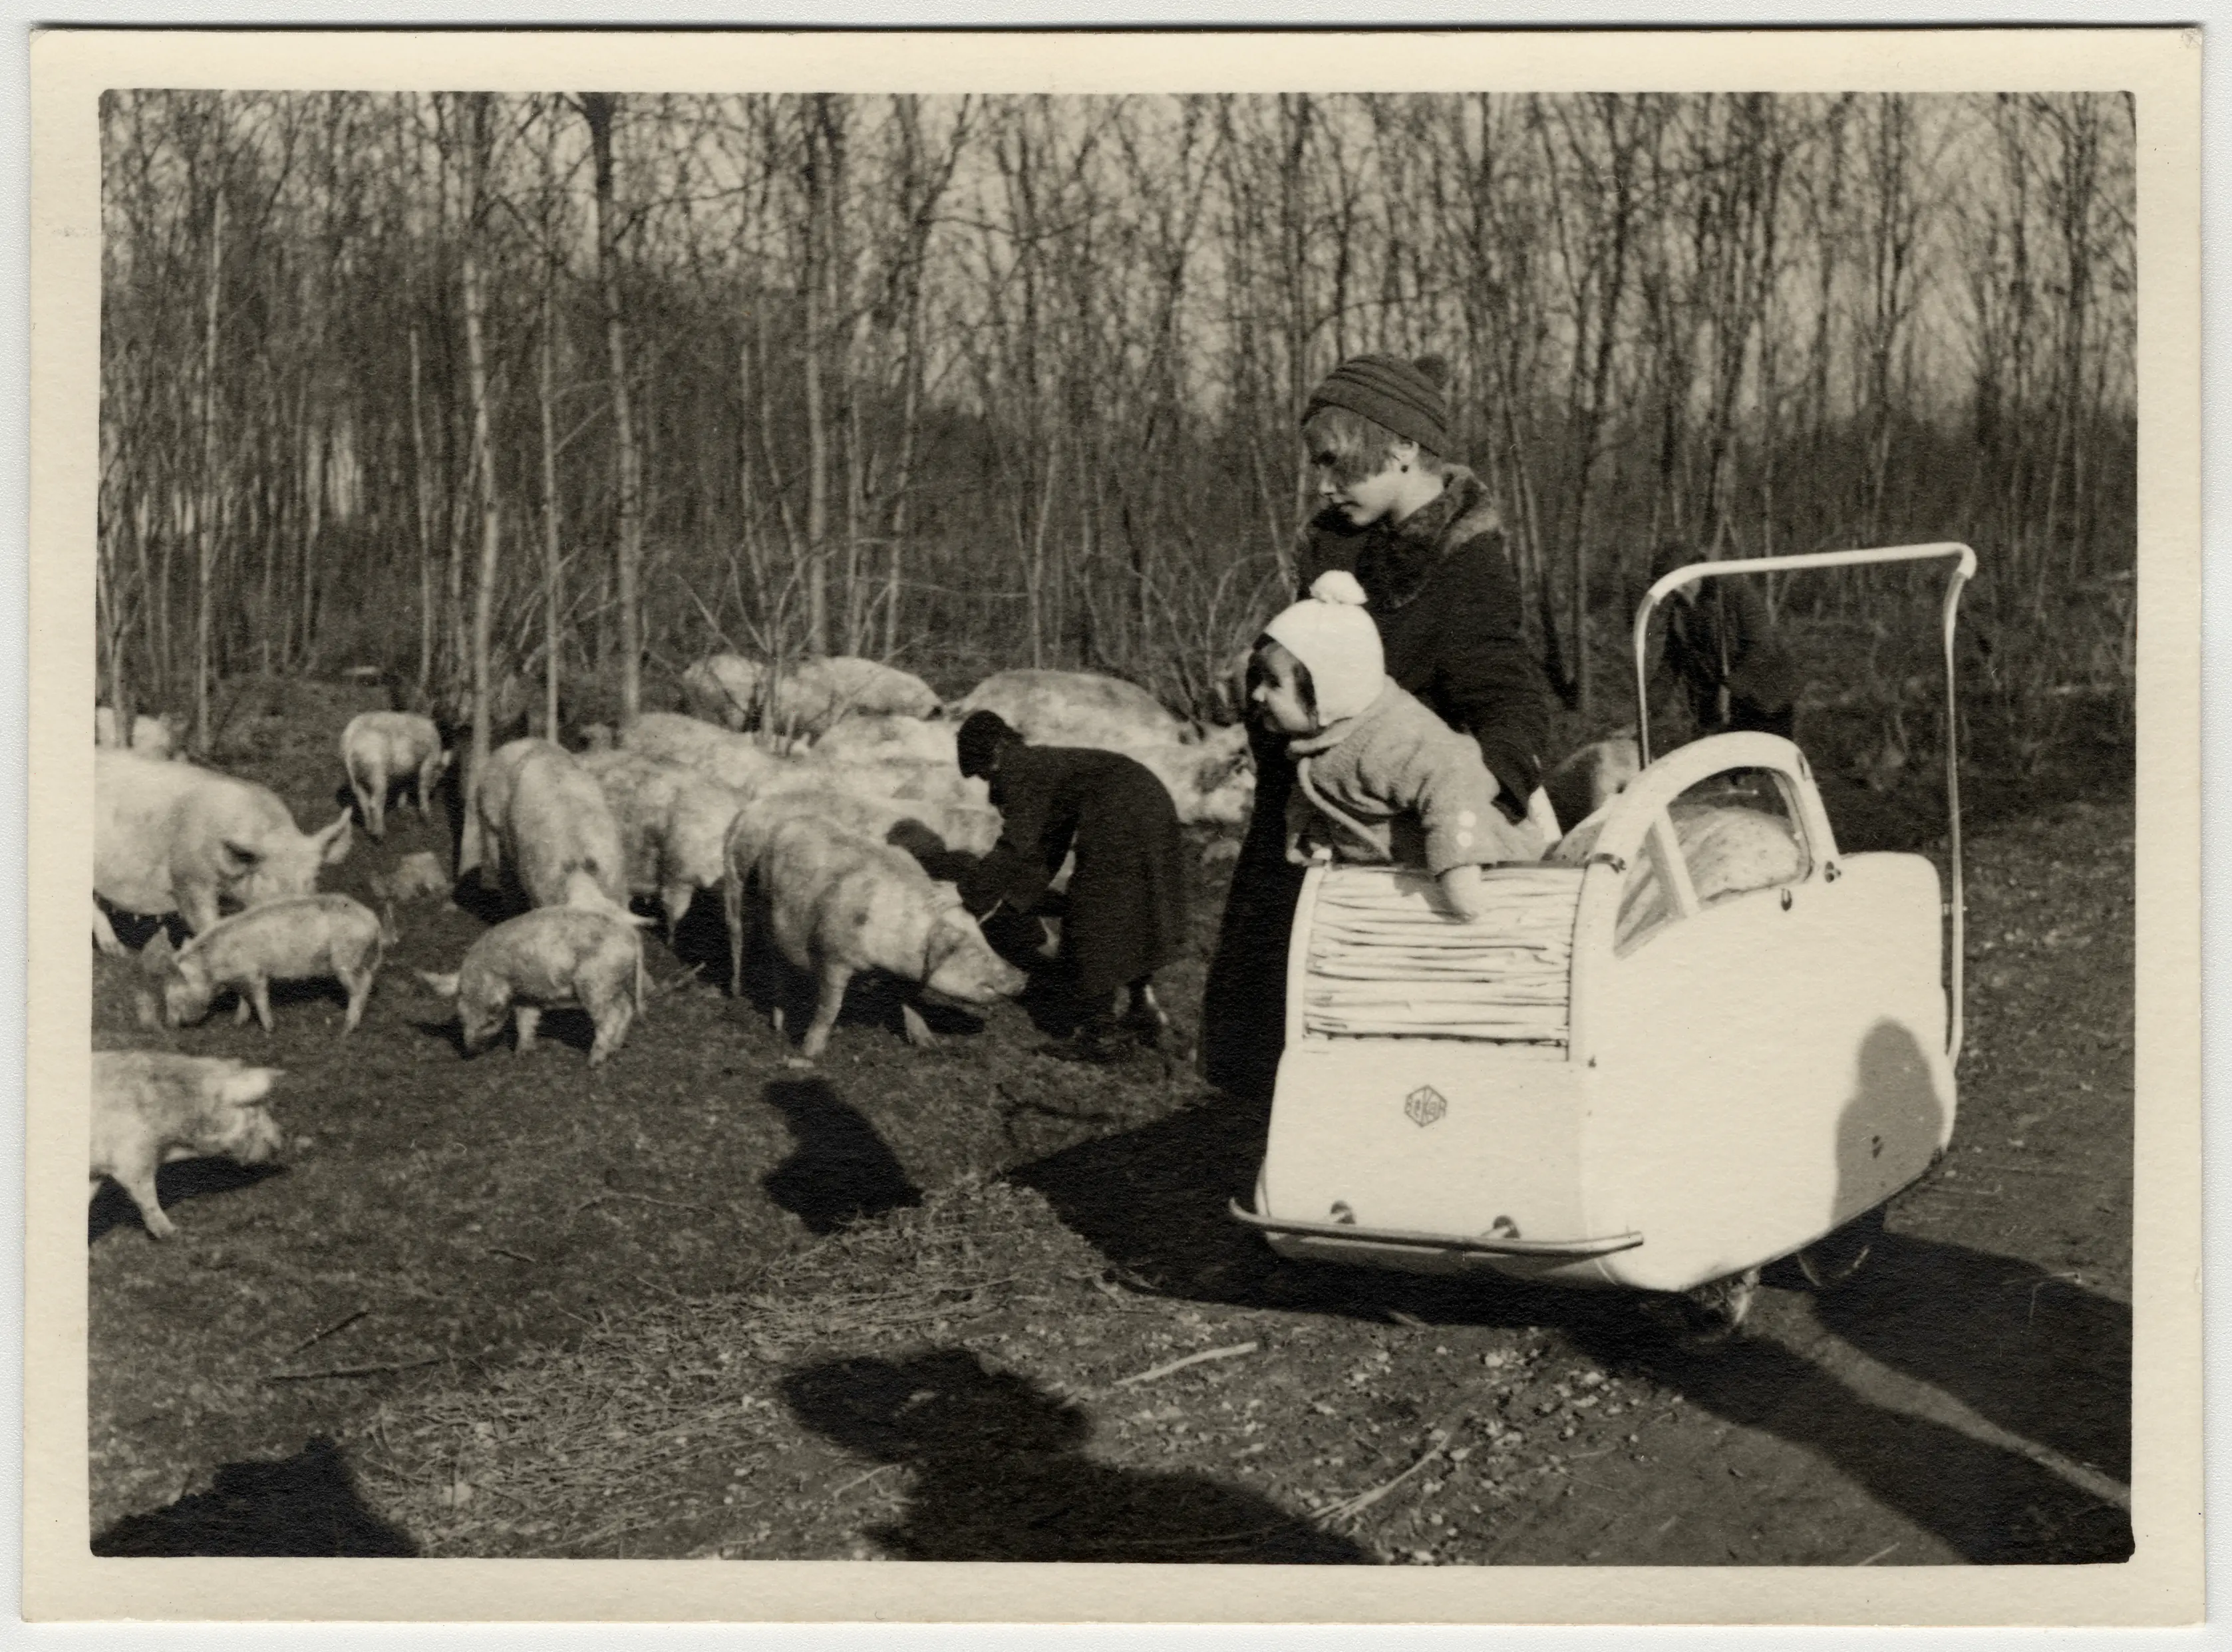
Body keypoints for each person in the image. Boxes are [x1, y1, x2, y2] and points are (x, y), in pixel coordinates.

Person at [1201, 352, 1555, 1104]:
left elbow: (1507, 698)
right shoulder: (1333, 543)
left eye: (1336, 462)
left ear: (1399, 448)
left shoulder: (1466, 563)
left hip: (1393, 828)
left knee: (1384, 1032)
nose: (1322, 483)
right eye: (1316, 465)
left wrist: (1472, 801)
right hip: (1301, 807)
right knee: (1267, 1021)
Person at [1253, 571, 1536, 917]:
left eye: (1273, 683)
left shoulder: (1390, 740)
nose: (1258, 694)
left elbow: (1455, 780)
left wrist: (1458, 868)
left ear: (1328, 689)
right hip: (1401, 888)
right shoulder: (1324, 741)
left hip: (1488, 870)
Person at [952, 710, 1188, 1064]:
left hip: (1123, 812)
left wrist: (969, 896)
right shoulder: (1039, 763)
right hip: (1148, 803)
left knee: (1093, 912)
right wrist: (1015, 902)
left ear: (998, 751)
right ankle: (1142, 1009)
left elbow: (1017, 844)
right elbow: (1048, 844)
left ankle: (1101, 1033)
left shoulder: (1019, 769)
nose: (987, 780)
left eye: (985, 770)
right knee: (1133, 908)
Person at [1649, 540, 1805, 743]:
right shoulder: (1679, 611)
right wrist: (1646, 712)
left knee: (1765, 764)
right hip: (1717, 709)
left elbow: (1762, 647)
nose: (1675, 591)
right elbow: (1671, 664)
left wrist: (1731, 689)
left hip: (1764, 700)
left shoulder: (1736, 592)